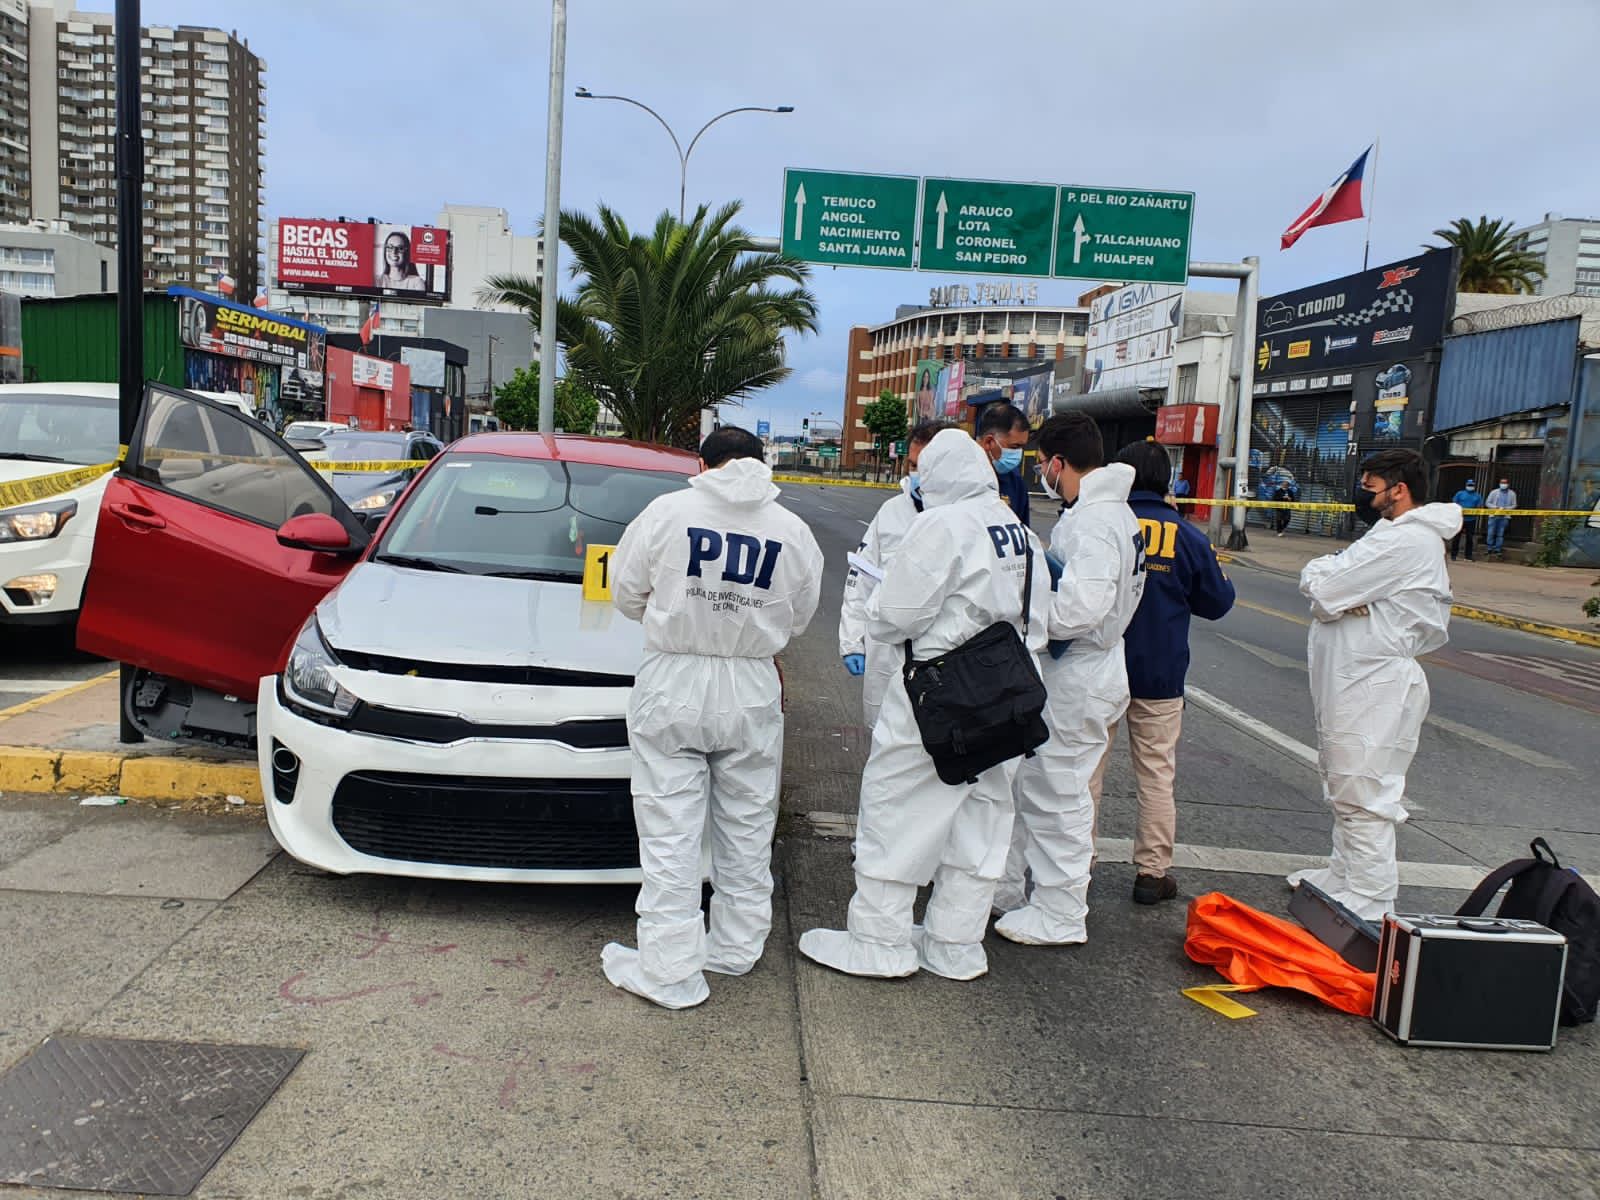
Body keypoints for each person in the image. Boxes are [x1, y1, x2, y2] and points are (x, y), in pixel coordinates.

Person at [799, 429, 1050, 981]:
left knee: (896, 810)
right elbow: (1042, 618)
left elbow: (895, 615)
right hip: (1008, 693)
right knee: (981, 821)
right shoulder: (1020, 531)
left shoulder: (942, 524)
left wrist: (889, 605)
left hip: (941, 690)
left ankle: (879, 942)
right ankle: (955, 945)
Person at [603, 426, 824, 1009]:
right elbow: (800, 616)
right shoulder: (792, 530)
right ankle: (735, 946)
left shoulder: (667, 512)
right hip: (751, 679)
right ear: (761, 463)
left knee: (670, 827)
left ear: (702, 465)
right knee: (748, 823)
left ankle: (671, 967)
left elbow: (625, 592)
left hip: (675, 674)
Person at [1289, 448, 1462, 922]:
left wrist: (1337, 595)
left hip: (1374, 679)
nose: (1364, 495)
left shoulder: (1407, 543)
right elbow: (1323, 576)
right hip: (1355, 676)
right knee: (1341, 777)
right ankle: (1343, 873)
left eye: (1370, 487)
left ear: (1398, 489)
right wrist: (1338, 592)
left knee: (1362, 785)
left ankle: (1370, 890)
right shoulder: (1388, 535)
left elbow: (1325, 588)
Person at [994, 412, 1145, 945]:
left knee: (1059, 793)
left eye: (1041, 465)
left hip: (1082, 667)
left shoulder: (1096, 521)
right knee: (1046, 785)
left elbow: (1079, 609)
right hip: (1090, 666)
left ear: (1058, 463)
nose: (1039, 473)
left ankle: (1060, 911)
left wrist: (1029, 609)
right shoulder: (1109, 514)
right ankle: (1030, 893)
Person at [1086, 441, 1235, 904]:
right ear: (1168, 480)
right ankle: (1152, 873)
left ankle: (1075, 863)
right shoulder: (1186, 536)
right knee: (1156, 774)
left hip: (1099, 668)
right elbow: (1217, 603)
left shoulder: (1100, 525)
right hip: (1161, 674)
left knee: (1086, 771)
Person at [839, 421, 945, 728]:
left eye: (924, 465)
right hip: (887, 654)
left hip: (944, 659)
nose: (916, 473)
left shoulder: (967, 519)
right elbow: (861, 577)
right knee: (884, 741)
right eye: (912, 465)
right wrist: (852, 642)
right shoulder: (892, 512)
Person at [975, 402, 1032, 525]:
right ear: (989, 442)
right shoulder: (959, 474)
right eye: (1014, 446)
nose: (1018, 454)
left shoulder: (1015, 481)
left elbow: (1022, 533)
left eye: (1022, 447)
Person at [1484, 477, 1518, 559]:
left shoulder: (1512, 494)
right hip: (1494, 515)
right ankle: (1489, 548)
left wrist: (1506, 508)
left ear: (1508, 484)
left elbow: (1514, 505)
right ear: (1499, 483)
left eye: (1505, 483)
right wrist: (1496, 507)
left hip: (1504, 516)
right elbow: (1487, 503)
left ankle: (1497, 549)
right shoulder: (1494, 492)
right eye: (1502, 483)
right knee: (1491, 532)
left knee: (1500, 533)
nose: (1503, 484)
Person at [1450, 478, 1483, 561]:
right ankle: (1453, 555)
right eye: (1469, 485)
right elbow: (1454, 503)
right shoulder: (1460, 494)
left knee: (1470, 538)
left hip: (1471, 519)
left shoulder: (1477, 495)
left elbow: (1480, 506)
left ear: (1474, 486)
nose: (1470, 487)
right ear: (1466, 485)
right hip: (1460, 519)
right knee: (1457, 537)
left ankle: (1468, 556)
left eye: (1472, 485)